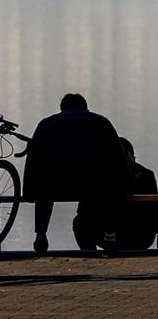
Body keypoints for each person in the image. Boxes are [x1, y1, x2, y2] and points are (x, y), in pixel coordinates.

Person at [23, 93, 133, 255]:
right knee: (110, 184)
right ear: (86, 108)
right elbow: (117, 158)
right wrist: (127, 185)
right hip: (94, 184)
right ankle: (110, 235)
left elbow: (34, 160)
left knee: (45, 185)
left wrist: (29, 192)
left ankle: (41, 236)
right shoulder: (101, 122)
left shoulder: (47, 123)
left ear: (62, 110)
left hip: (57, 184)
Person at [74, 137, 158, 250]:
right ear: (129, 155)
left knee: (79, 222)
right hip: (140, 234)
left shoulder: (95, 175)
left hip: (108, 234)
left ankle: (89, 254)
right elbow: (153, 209)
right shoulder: (146, 174)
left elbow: (83, 210)